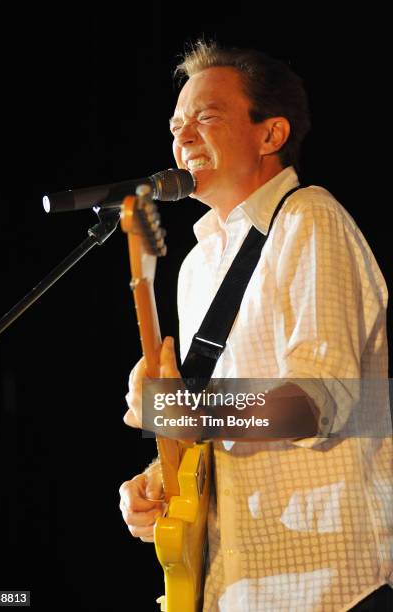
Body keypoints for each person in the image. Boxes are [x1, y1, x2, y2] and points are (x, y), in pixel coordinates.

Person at [119, 41, 392, 611]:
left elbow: (318, 402)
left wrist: (179, 411)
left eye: (207, 118)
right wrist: (163, 473)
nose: (183, 138)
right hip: (237, 586)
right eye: (177, 125)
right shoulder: (196, 265)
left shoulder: (310, 219)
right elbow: (218, 421)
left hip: (329, 588)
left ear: (270, 134)